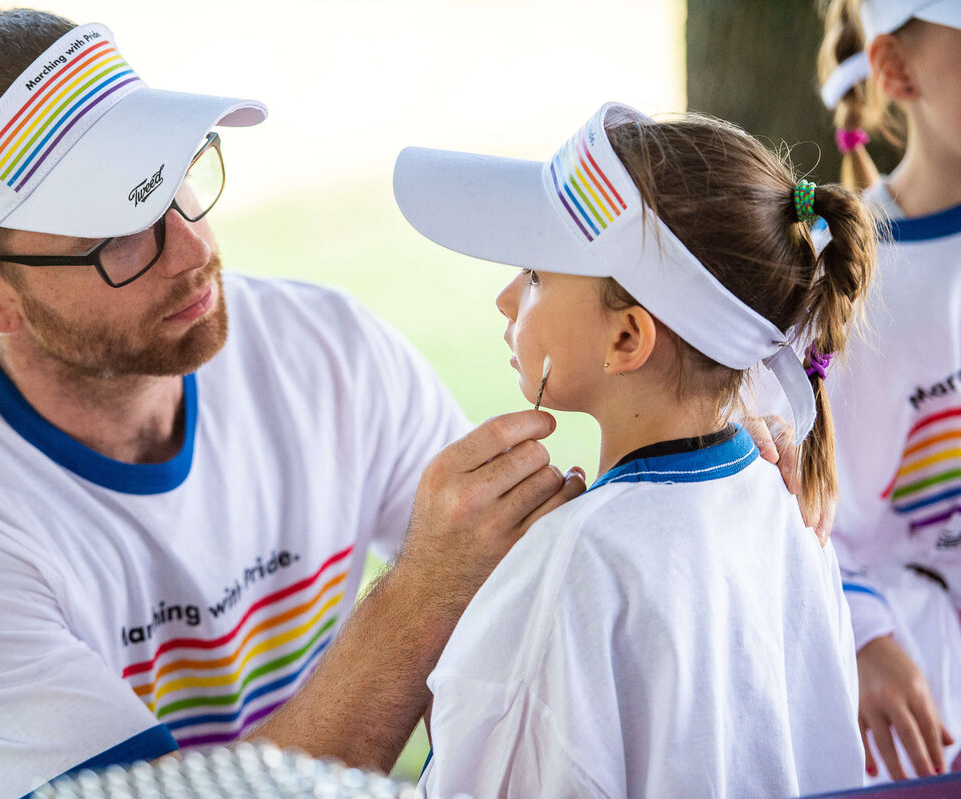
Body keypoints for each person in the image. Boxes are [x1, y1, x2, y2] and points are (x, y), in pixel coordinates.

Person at [0, 10, 591, 797]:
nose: (194, 250)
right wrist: (423, 591)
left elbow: (513, 629)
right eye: (118, 232)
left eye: (178, 180)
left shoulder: (326, 354)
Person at [392, 103, 874, 797]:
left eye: (535, 274)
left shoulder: (571, 564)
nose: (504, 298)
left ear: (627, 337)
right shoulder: (788, 511)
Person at [817, 0, 961, 781]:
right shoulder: (845, 284)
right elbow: (806, 516)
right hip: (920, 724)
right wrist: (866, 635)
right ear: (898, 70)